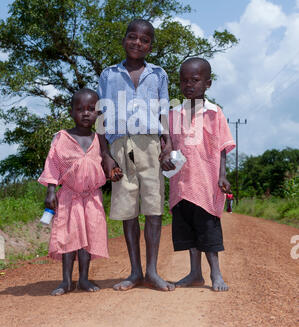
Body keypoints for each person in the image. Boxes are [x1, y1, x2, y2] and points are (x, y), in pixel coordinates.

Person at [97, 18, 175, 292]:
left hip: (151, 145)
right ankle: (134, 272)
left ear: (150, 46)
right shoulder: (108, 75)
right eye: (132, 37)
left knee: (154, 208)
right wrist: (105, 154)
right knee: (128, 210)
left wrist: (168, 143)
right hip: (119, 146)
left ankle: (153, 271)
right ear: (124, 40)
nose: (137, 43)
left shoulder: (158, 74)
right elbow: (100, 116)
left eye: (144, 40)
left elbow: (165, 112)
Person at [168, 57, 235, 291]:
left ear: (208, 83)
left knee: (208, 232)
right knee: (188, 233)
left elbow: (223, 147)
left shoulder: (215, 113)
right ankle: (195, 273)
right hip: (181, 185)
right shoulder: (173, 114)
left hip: (206, 185)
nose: (189, 85)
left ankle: (216, 273)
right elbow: (169, 145)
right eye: (184, 80)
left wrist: (222, 175)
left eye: (195, 80)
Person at [38, 88, 109, 295]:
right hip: (69, 196)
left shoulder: (99, 139)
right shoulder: (62, 138)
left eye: (91, 109)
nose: (86, 113)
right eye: (80, 109)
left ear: (98, 114)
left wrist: (113, 170)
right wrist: (51, 191)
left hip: (92, 198)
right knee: (69, 239)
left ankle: (84, 279)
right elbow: (52, 165)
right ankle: (66, 281)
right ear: (71, 112)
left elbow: (105, 162)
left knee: (87, 240)